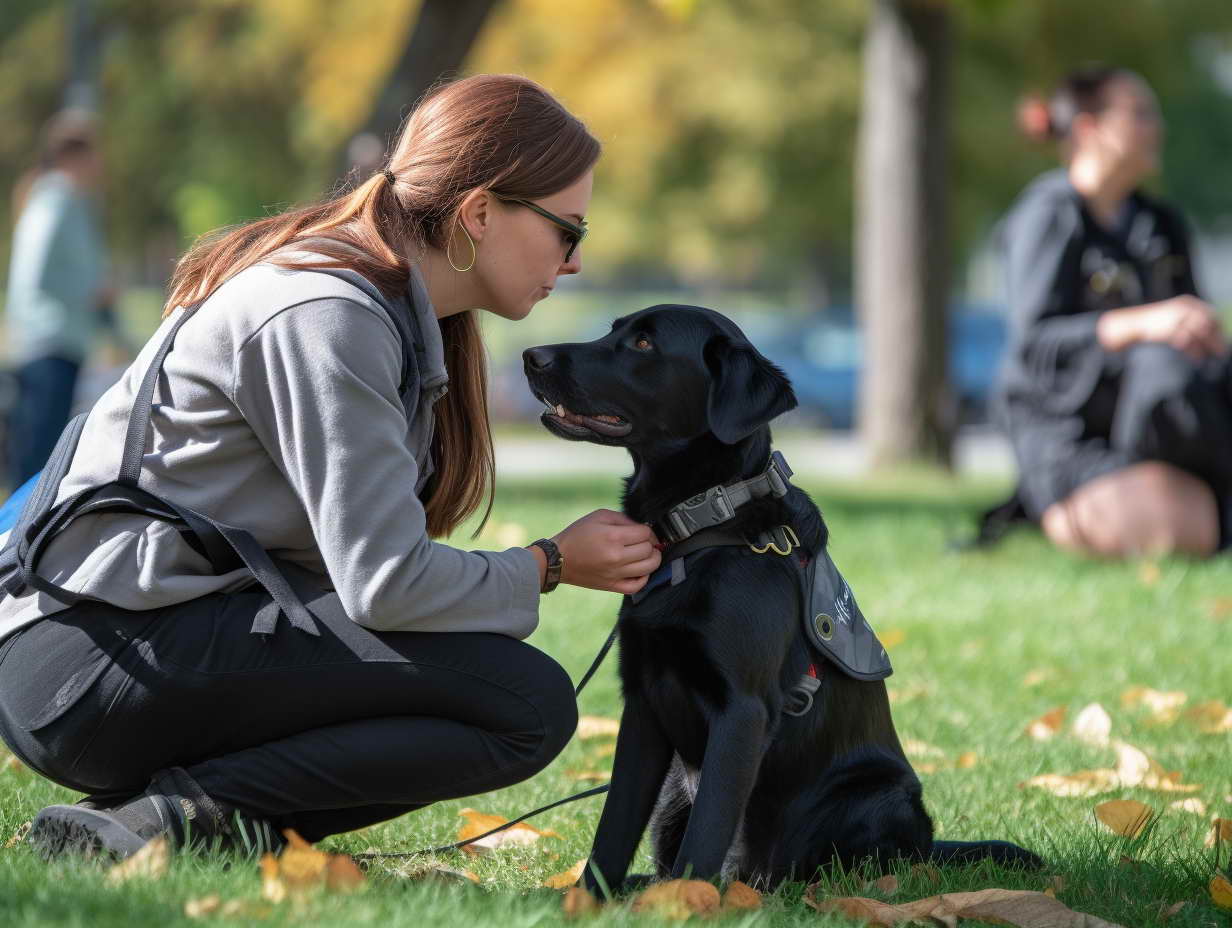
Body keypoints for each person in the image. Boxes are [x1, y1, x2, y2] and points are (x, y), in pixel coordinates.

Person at [0, 74, 662, 860]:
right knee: (523, 701)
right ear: (481, 212)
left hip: (129, 643)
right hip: (80, 662)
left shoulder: (385, 306)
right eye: (568, 231)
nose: (576, 262)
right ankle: (171, 821)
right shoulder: (330, 313)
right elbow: (384, 584)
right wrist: (548, 564)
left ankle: (142, 823)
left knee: (510, 691)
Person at [992, 65, 1232, 558]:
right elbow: (1034, 348)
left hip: (1164, 427)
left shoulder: (1161, 224)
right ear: (1089, 128)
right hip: (1074, 439)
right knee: (1161, 371)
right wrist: (1142, 323)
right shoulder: (1048, 215)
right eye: (1140, 114)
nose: (1157, 128)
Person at [4, 110, 126, 490]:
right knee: (37, 465)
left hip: (59, 346)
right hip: (47, 347)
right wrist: (92, 292)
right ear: (72, 156)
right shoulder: (57, 199)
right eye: (93, 154)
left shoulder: (66, 201)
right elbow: (33, 273)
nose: (99, 164)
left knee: (42, 461)